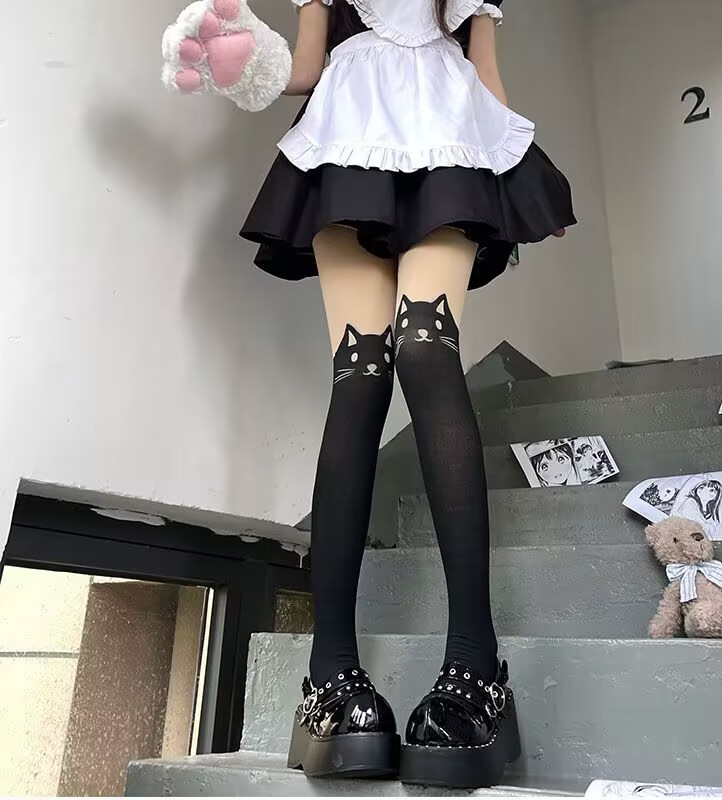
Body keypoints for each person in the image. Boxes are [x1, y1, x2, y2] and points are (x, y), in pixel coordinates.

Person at [169, 0, 575, 787]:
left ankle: (475, 666)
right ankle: (330, 676)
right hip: (346, 135)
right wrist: (242, 59)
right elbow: (306, 67)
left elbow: (484, 73)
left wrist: (527, 170)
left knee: (427, 351)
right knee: (359, 376)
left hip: (448, 135)